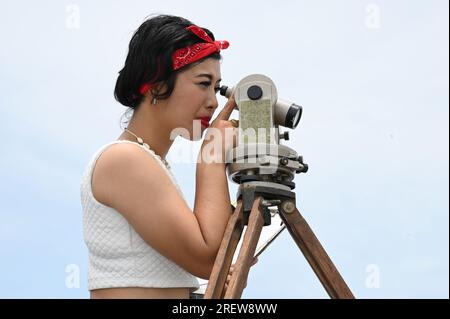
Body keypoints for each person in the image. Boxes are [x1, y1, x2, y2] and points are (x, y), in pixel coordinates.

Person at [80, 14, 255, 299]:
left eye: (216, 87)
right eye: (202, 83)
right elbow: (212, 261)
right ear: (157, 84)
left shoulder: (149, 162)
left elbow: (209, 265)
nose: (213, 101)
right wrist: (211, 155)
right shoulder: (123, 159)